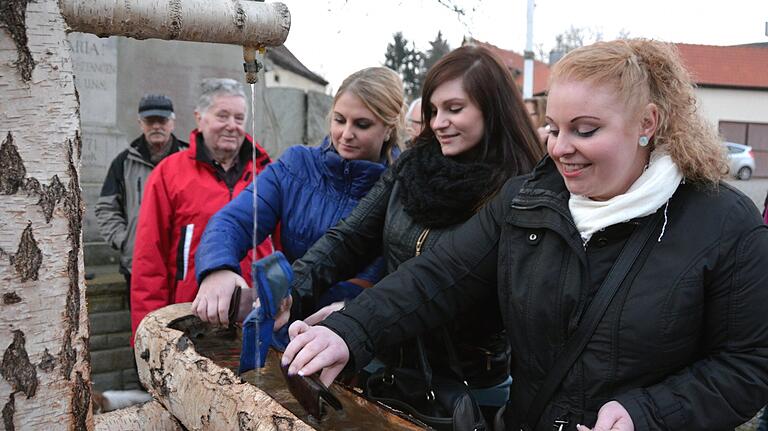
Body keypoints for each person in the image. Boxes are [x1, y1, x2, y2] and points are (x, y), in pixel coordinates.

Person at [282, 39, 768, 431]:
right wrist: (353, 329)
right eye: (553, 129)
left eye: (585, 130)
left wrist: (650, 414)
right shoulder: (527, 201)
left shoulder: (724, 224)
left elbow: (748, 365)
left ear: (648, 123)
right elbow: (438, 275)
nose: (561, 149)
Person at [284, 45, 544, 422]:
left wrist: (356, 317)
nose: (438, 122)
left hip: (464, 388)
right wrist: (291, 290)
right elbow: (350, 238)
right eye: (434, 110)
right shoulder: (413, 164)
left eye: (454, 109)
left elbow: (448, 281)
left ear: (492, 108)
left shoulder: (517, 192)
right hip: (386, 362)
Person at [191, 67, 406, 326]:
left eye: (362, 125)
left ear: (388, 129)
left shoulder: (401, 191)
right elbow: (235, 220)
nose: (346, 134)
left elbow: (398, 279)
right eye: (339, 120)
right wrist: (218, 267)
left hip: (358, 332)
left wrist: (356, 309)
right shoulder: (296, 166)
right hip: (284, 323)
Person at [130, 78, 273, 341]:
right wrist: (147, 338)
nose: (232, 125)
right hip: (192, 321)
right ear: (200, 118)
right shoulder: (169, 173)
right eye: (223, 116)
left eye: (239, 118)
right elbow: (149, 261)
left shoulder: (267, 173)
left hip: (257, 321)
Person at [95, 94, 188, 295]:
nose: (156, 126)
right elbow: (106, 208)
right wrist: (126, 240)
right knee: (142, 323)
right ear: (140, 124)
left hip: (182, 265)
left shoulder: (189, 159)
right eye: (150, 121)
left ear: (172, 123)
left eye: (162, 120)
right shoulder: (123, 162)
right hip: (138, 263)